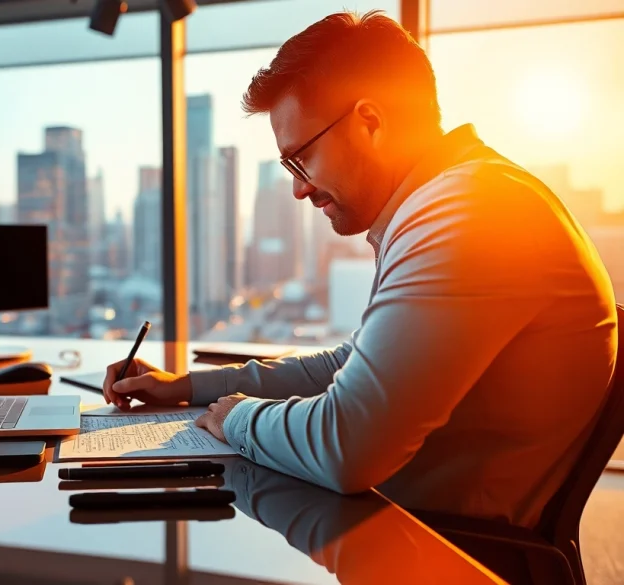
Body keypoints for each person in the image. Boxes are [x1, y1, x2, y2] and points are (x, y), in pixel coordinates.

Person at [103, 11, 618, 528]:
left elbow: (347, 445)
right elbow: (345, 366)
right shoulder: (454, 199)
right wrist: (189, 387)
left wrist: (236, 417)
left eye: (300, 159)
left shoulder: (472, 211)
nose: (299, 188)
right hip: (400, 531)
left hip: (447, 554)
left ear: (370, 122)